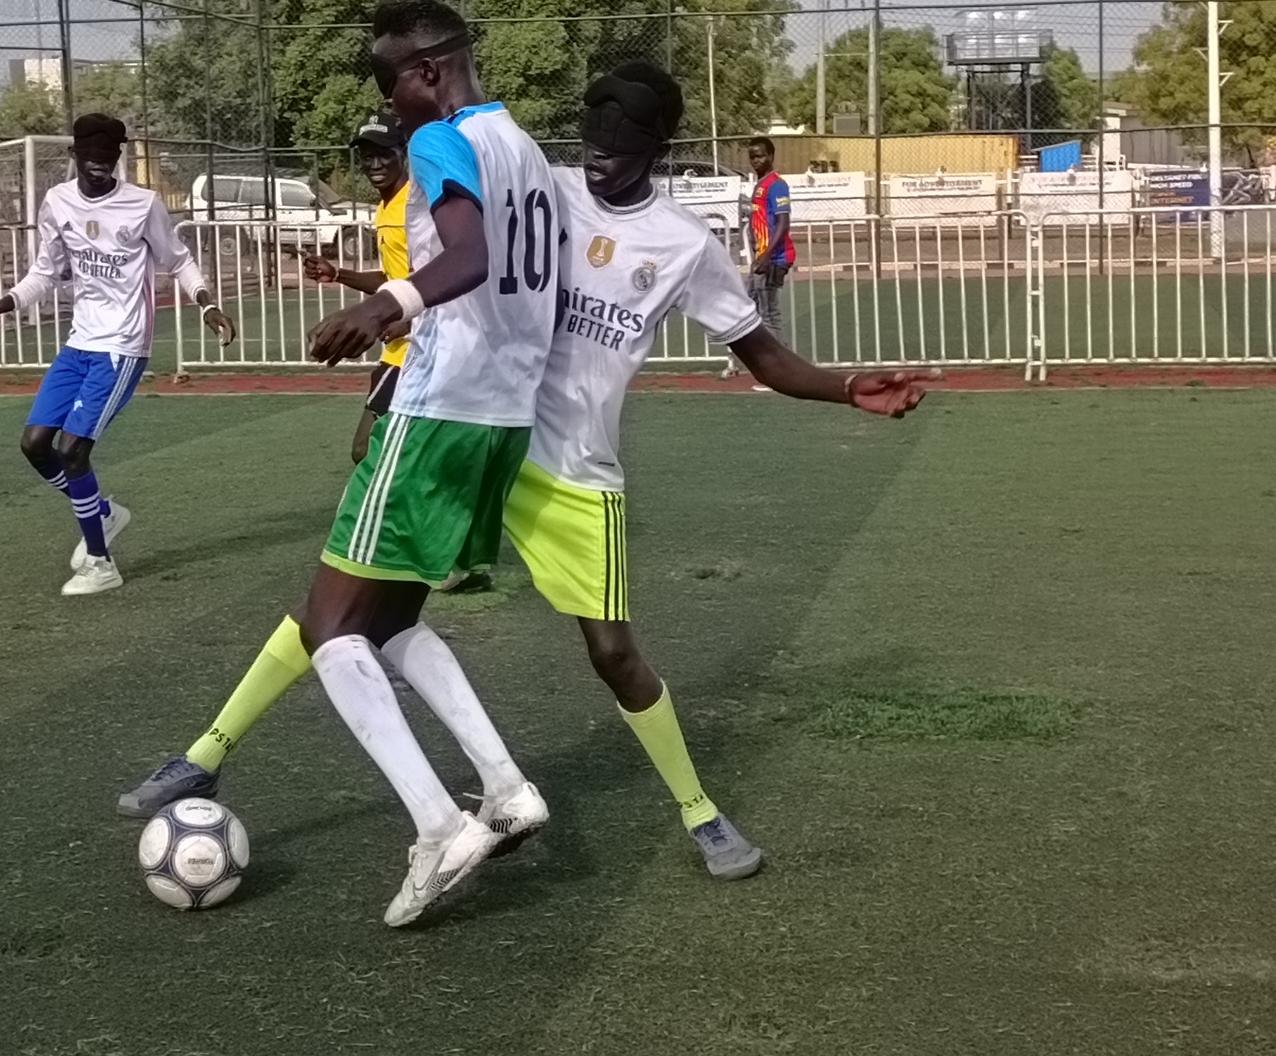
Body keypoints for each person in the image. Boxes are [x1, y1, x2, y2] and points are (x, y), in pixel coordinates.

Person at [120, 65, 934, 883]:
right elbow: (455, 241)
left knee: (614, 652)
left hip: (574, 469)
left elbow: (759, 351)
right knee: (346, 602)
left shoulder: (685, 245)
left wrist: (842, 387)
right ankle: (206, 753)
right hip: (480, 434)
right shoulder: (541, 186)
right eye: (592, 144)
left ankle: (701, 812)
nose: (601, 162)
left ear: (657, 148)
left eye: (620, 150)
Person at [127, 0, 559, 928]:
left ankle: (440, 824)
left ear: (431, 70)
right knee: (392, 615)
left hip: (438, 407)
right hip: (503, 415)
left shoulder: (444, 143)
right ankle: (507, 786)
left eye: (390, 84)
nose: (391, 108)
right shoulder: (530, 152)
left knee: (328, 628)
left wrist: (387, 304)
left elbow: (473, 257)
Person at [0, 112, 235, 596]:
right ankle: (104, 515)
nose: (98, 166)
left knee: (73, 450)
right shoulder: (57, 202)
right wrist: (1, 305)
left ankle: (100, 562)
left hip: (122, 347)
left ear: (118, 158)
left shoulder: (143, 204)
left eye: (107, 158)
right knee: (34, 445)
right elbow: (45, 272)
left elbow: (179, 261)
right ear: (74, 157)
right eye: (89, 157)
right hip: (79, 344)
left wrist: (207, 303)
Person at [302, 107, 413, 464]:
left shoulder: (414, 206)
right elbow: (393, 281)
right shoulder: (387, 208)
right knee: (371, 451)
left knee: (367, 451)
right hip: (398, 353)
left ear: (404, 153)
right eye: (368, 156)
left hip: (421, 353)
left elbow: (442, 280)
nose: (375, 164)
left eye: (384, 153)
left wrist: (408, 321)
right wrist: (338, 274)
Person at [722, 136, 795, 384]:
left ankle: (784, 373)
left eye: (761, 155)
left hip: (773, 259)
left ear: (771, 156)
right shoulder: (760, 185)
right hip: (761, 260)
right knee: (750, 309)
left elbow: (783, 224)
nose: (756, 160)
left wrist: (765, 256)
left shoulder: (776, 185)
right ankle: (761, 364)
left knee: (769, 314)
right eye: (752, 156)